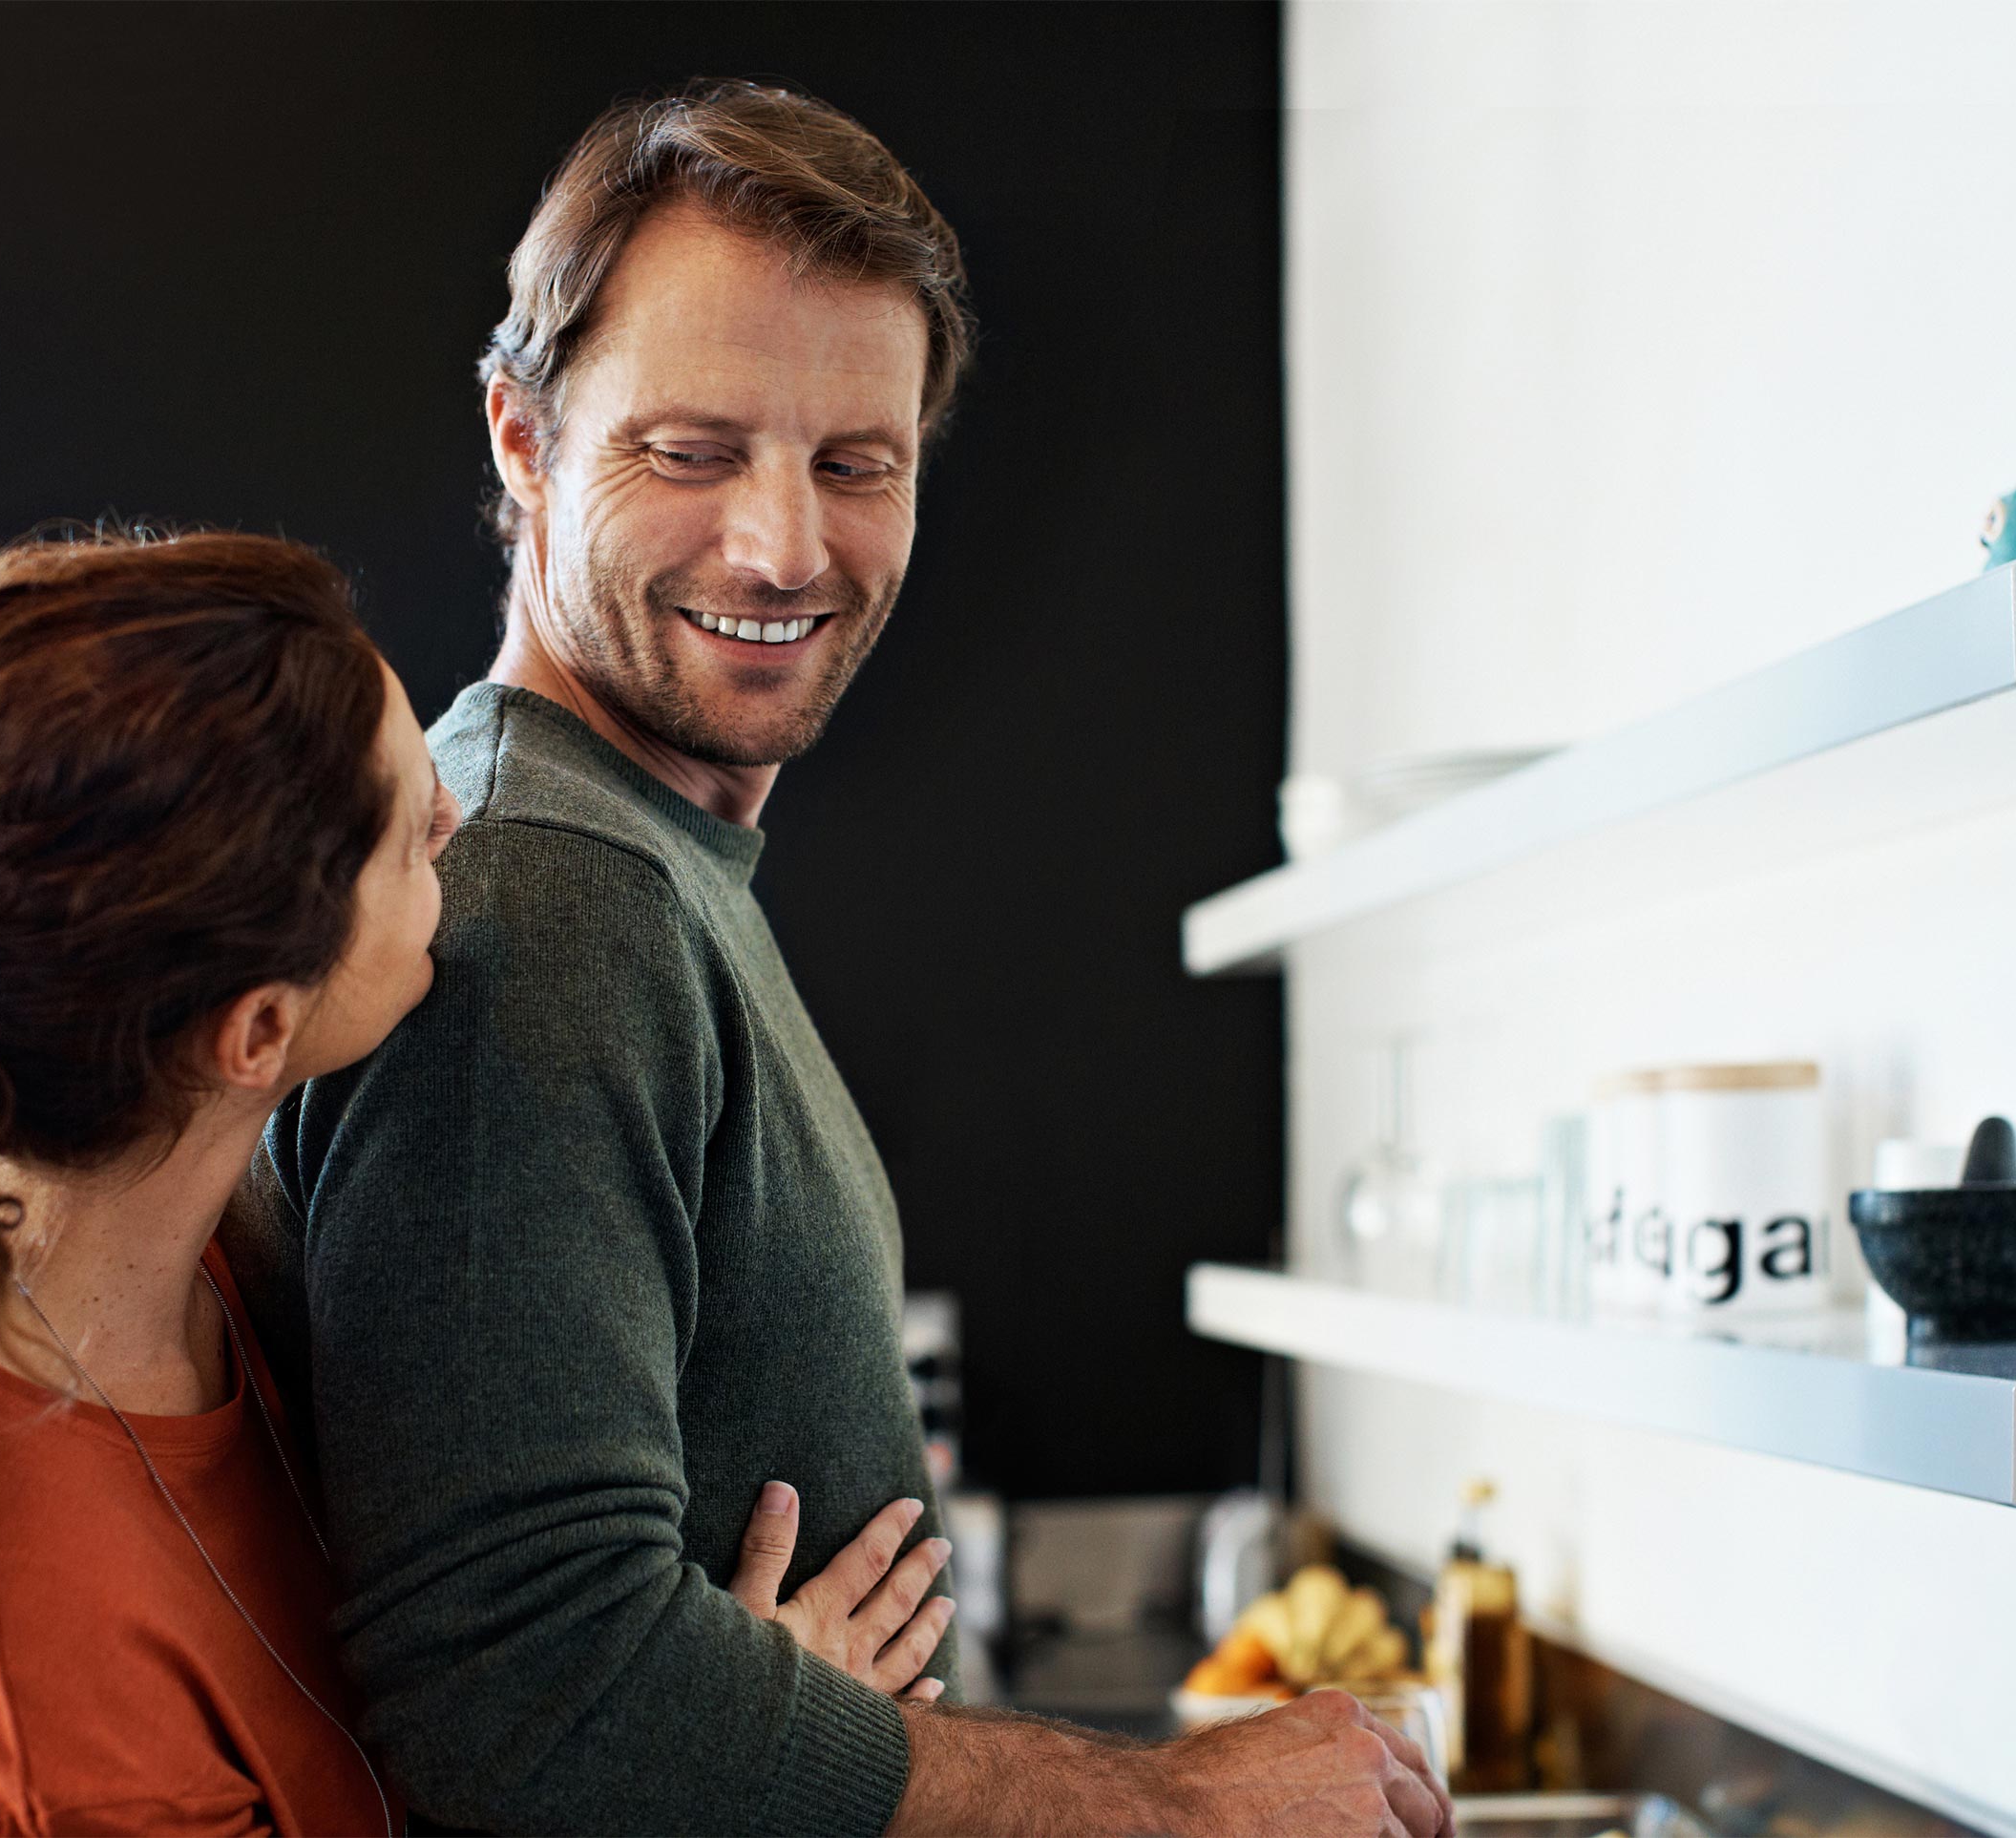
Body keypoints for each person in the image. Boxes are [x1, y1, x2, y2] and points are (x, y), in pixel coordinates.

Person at [224, 83, 1454, 1838]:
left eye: (855, 464)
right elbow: (523, 1690)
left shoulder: (651, 859)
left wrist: (773, 1726)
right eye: (692, 450)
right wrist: (1176, 1808)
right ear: (520, 437)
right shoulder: (551, 901)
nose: (785, 549)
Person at [0, 529, 949, 1837]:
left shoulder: (197, 1265)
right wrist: (734, 1778)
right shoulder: (6, 1626)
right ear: (258, 1032)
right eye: (409, 829)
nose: (462, 815)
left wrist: (675, 1712)